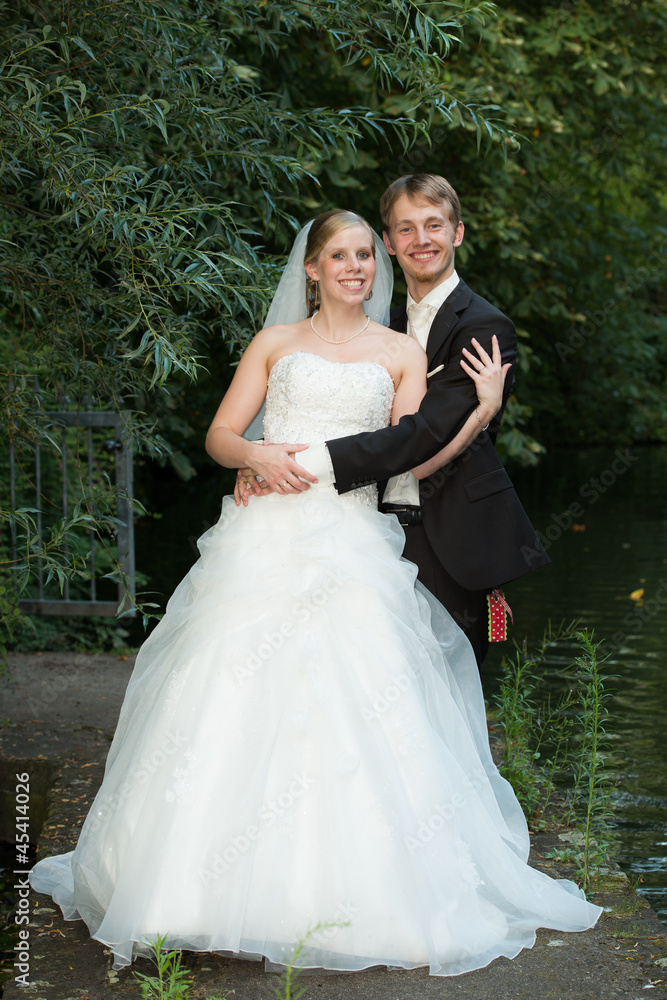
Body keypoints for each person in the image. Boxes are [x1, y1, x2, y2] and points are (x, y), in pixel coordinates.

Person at [30, 210, 600, 975]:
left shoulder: (401, 353)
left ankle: (361, 897)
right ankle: (189, 890)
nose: (356, 266)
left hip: (352, 544)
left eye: (366, 254)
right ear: (312, 267)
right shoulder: (274, 343)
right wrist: (255, 456)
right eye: (340, 255)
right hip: (263, 538)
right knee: (227, 695)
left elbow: (409, 460)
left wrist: (483, 411)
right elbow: (219, 436)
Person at [237, 175, 550, 667]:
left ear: (457, 232)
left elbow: (420, 439)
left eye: (434, 225)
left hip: (445, 533)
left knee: (443, 690)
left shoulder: (484, 327)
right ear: (389, 243)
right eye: (406, 229)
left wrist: (292, 463)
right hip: (367, 529)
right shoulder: (384, 323)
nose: (421, 240)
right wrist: (258, 454)